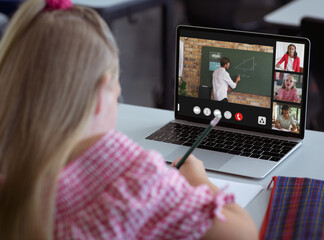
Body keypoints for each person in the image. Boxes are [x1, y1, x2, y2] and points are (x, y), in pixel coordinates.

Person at [0, 0, 257, 239]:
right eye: (116, 85)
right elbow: (244, 233)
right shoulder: (137, 182)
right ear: (101, 93)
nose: (119, 91)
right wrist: (199, 180)